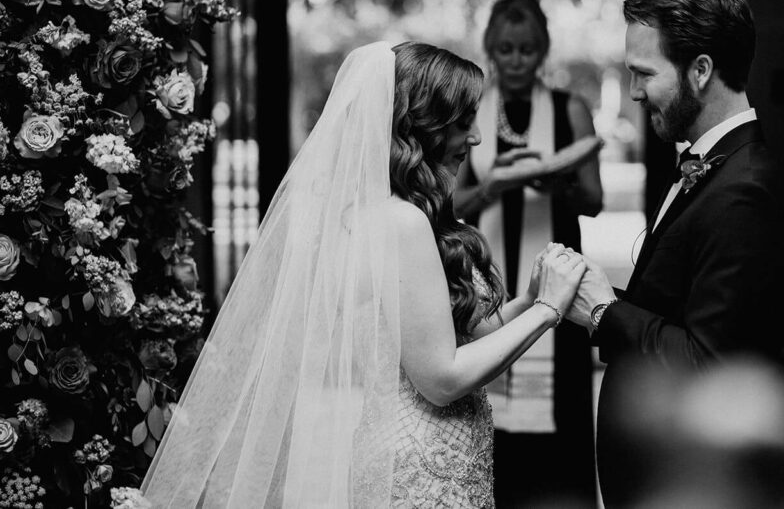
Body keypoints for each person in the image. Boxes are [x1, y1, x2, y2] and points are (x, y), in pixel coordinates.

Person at [140, 41, 588, 507]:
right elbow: (441, 379)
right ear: (425, 126)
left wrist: (530, 298)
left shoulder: (403, 213)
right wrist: (548, 310)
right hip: (421, 464)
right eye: (463, 122)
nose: (475, 138)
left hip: (432, 452)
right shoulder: (403, 222)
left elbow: (457, 335)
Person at [564, 0, 784, 507]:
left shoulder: (745, 191)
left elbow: (708, 366)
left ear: (700, 71)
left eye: (644, 74)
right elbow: (676, 315)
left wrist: (604, 311)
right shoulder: (709, 165)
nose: (634, 93)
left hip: (683, 480)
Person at [454, 0, 602, 506]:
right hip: (484, 275)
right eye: (506, 49)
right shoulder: (470, 111)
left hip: (552, 278)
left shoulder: (570, 110)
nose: (516, 60)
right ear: (490, 49)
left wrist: (555, 182)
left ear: (543, 51)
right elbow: (448, 203)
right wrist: (493, 186)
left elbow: (595, 200)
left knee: (559, 405)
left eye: (527, 49)